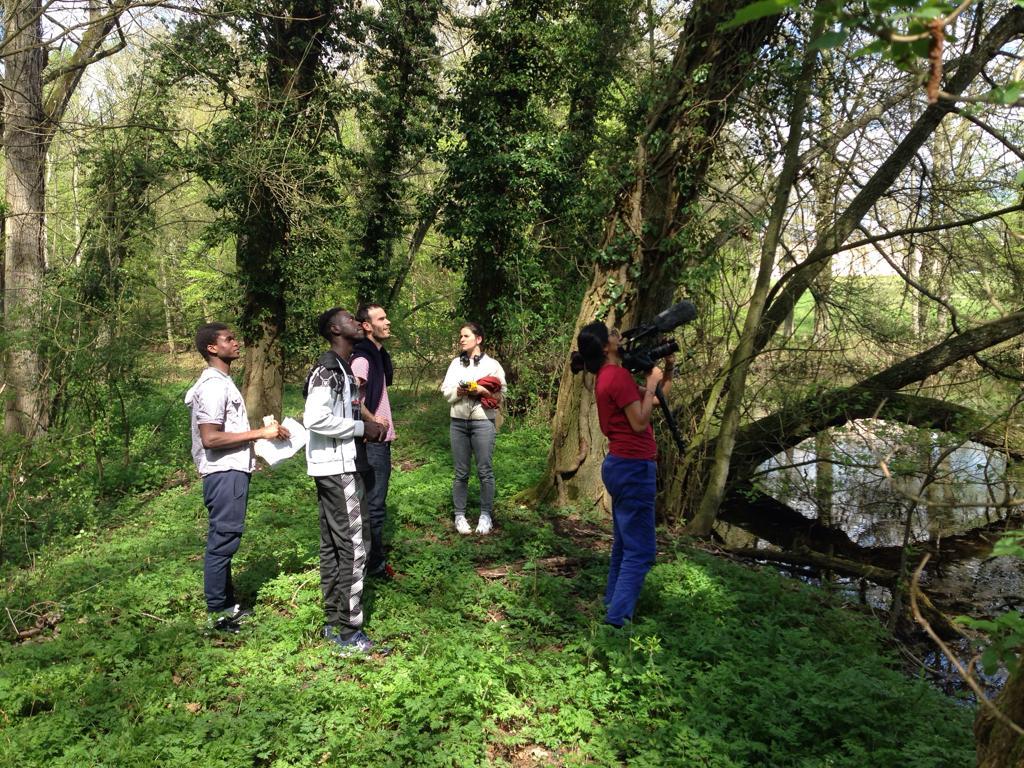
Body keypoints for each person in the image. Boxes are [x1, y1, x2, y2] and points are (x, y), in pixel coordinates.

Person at [185, 322, 289, 634]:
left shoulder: (223, 382)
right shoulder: (214, 386)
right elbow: (211, 439)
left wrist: (258, 445)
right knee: (223, 542)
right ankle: (218, 614)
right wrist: (260, 432)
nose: (236, 343)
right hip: (223, 474)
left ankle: (227, 605)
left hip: (232, 470)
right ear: (212, 349)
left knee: (226, 539)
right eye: (228, 339)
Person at [572, 321, 673, 628]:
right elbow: (641, 422)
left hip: (621, 464)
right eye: (613, 334)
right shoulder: (616, 377)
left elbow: (654, 401)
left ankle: (611, 603)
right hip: (633, 467)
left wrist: (665, 373)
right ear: (606, 347)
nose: (619, 335)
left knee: (623, 544)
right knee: (641, 551)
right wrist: (652, 383)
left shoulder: (611, 376)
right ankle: (617, 621)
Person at [303, 307, 387, 654]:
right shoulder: (327, 370)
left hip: (337, 464)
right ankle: (349, 632)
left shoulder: (342, 369)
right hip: (337, 469)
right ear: (335, 329)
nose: (358, 323)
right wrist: (359, 428)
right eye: (351, 320)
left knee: (334, 546)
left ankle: (333, 621)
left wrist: (368, 425)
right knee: (355, 546)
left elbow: (341, 412)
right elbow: (315, 418)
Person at [440, 322, 506, 535]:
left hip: (483, 422)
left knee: (485, 471)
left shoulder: (493, 365)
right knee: (461, 472)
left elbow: (501, 395)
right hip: (458, 423)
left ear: (478, 339)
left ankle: (485, 515)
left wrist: (481, 390)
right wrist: (460, 392)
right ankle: (460, 516)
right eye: (460, 336)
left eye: (466, 336)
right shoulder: (455, 364)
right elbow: (446, 391)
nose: (461, 339)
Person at [351, 303, 396, 579]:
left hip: (379, 440)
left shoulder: (378, 355)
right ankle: (373, 565)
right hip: (372, 442)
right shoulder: (362, 358)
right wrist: (372, 420)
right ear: (367, 326)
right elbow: (351, 396)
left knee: (374, 502)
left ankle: (370, 558)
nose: (388, 322)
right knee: (374, 505)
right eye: (381, 319)